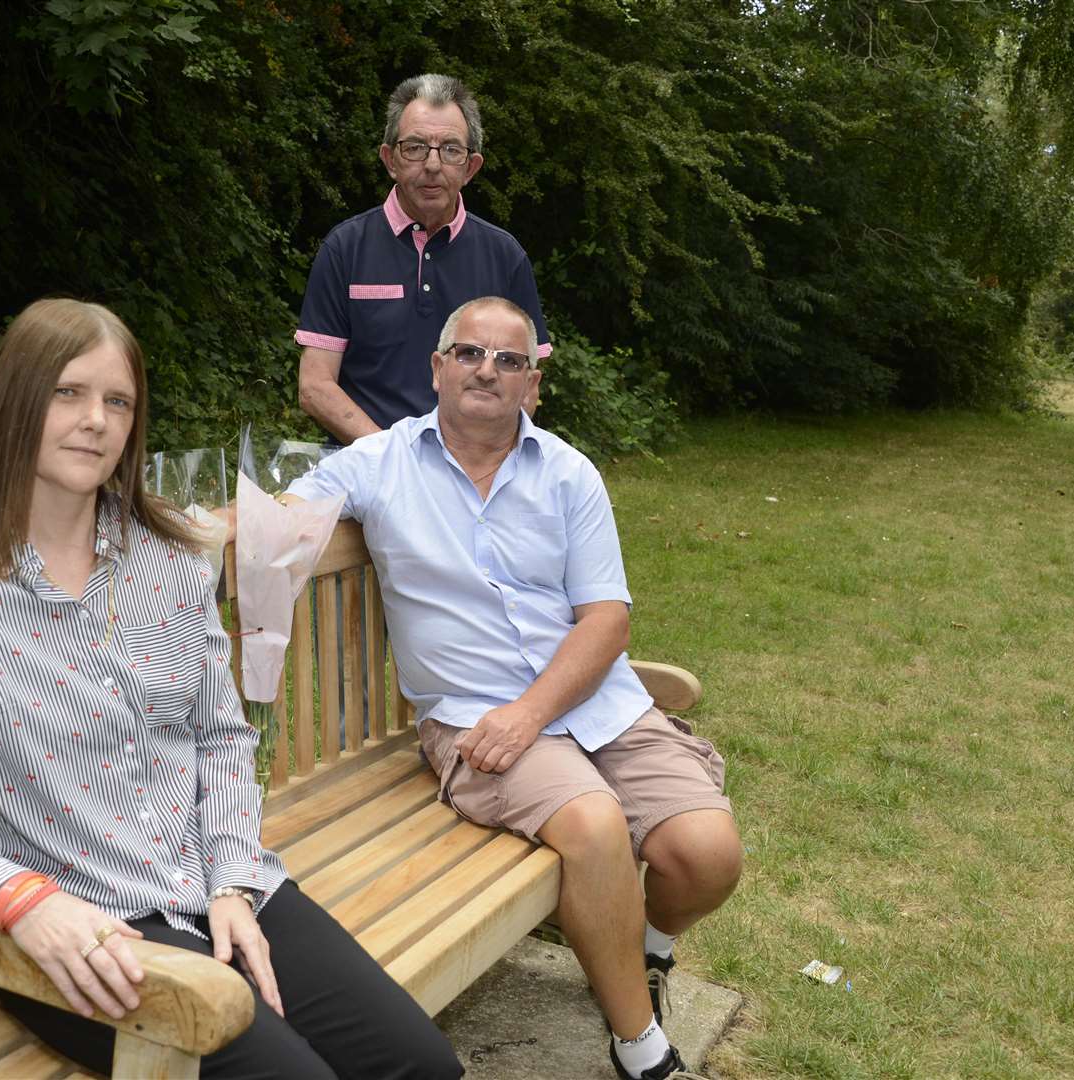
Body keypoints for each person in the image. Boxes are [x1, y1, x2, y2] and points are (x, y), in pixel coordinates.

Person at [0, 299, 461, 1080]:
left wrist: (233, 880)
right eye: (67, 392)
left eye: (117, 401)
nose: (94, 420)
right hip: (82, 931)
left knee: (421, 1067)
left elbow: (222, 737)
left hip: (218, 882)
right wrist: (21, 902)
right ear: (5, 396)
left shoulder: (168, 560)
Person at [284, 297, 742, 1080]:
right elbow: (279, 517)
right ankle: (641, 1046)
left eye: (508, 359)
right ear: (437, 367)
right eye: (468, 353)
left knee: (707, 855)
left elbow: (605, 619)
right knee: (594, 827)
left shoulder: (567, 472)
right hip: (474, 716)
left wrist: (536, 712)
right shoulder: (379, 464)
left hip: (592, 701)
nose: (486, 370)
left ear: (533, 379)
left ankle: (647, 948)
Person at [296, 73, 552, 444]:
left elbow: (525, 389)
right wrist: (392, 462)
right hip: (367, 467)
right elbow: (315, 386)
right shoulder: (345, 249)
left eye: (450, 149)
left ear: (470, 167)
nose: (432, 165)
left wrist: (474, 463)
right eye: (415, 147)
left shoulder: (505, 256)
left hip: (471, 474)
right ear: (390, 160)